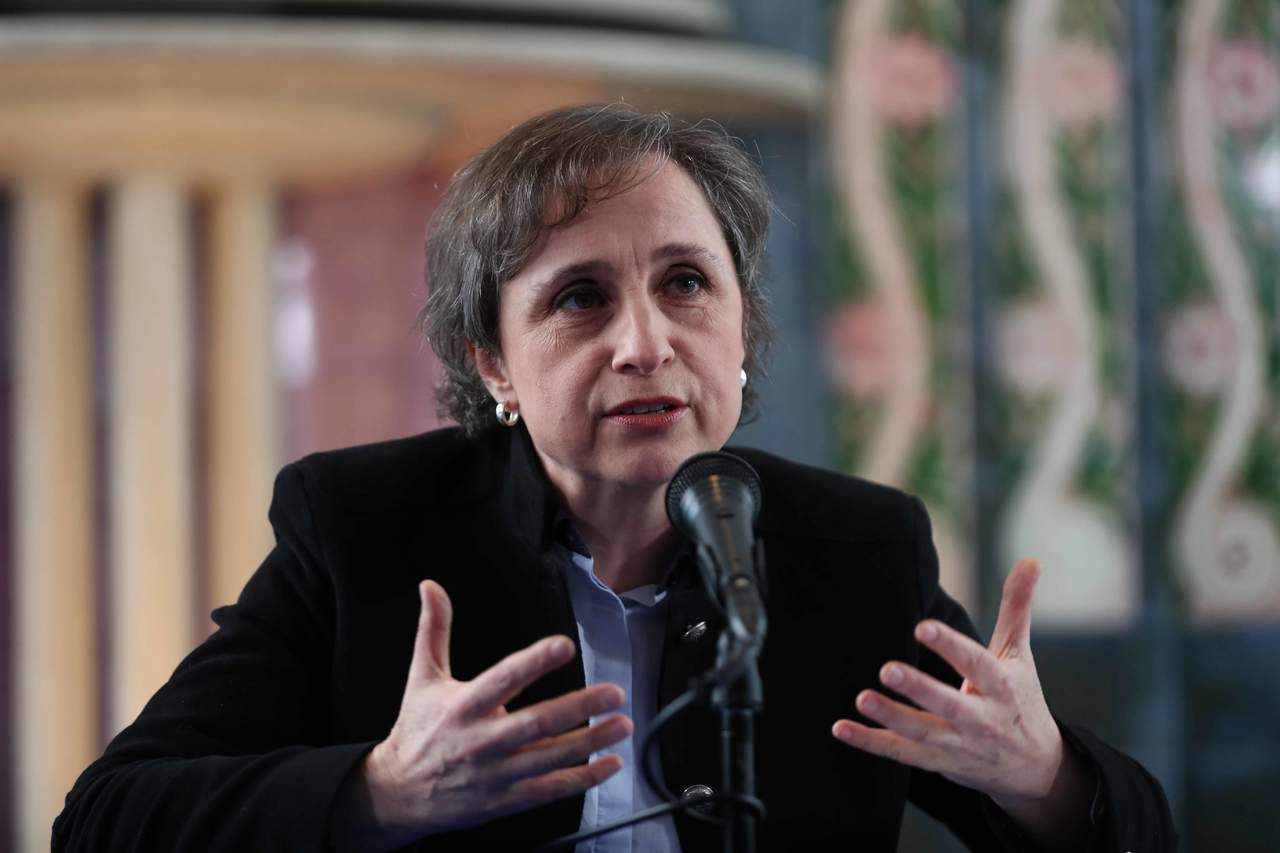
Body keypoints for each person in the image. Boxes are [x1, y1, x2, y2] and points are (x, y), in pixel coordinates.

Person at [54, 103, 1176, 852]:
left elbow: (1133, 831)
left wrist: (1042, 775)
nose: (645, 344)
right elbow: (107, 818)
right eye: (579, 298)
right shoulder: (365, 531)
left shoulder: (855, 547)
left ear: (741, 330)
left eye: (686, 283)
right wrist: (381, 792)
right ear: (492, 363)